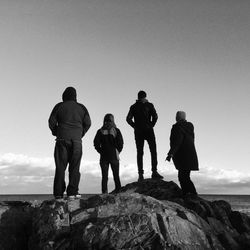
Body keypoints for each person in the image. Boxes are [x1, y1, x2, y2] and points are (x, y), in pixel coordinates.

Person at [48, 87, 91, 200]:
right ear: (75, 96)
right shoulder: (82, 107)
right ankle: (72, 192)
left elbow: (51, 121)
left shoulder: (59, 106)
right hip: (76, 141)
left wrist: (56, 132)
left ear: (64, 95)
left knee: (60, 167)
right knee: (75, 167)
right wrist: (81, 133)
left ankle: (58, 194)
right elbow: (88, 123)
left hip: (62, 139)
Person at [126, 90, 163, 181]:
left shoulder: (133, 106)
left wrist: (135, 126)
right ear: (145, 97)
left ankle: (140, 174)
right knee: (153, 151)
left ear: (138, 97)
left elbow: (128, 119)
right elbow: (155, 116)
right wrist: (151, 125)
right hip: (148, 130)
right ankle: (154, 172)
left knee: (140, 152)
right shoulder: (149, 105)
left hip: (138, 131)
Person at [166, 111, 199, 196]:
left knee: (183, 177)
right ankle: (190, 193)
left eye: (176, 116)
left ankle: (189, 193)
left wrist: (170, 154)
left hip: (182, 155)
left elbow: (177, 141)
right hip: (190, 155)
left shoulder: (177, 127)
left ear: (178, 117)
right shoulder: (190, 127)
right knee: (185, 176)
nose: (175, 117)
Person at [94, 114, 123, 194]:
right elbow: (121, 143)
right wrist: (117, 151)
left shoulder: (100, 131)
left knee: (104, 177)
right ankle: (118, 192)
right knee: (116, 176)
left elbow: (96, 144)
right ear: (113, 120)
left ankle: (104, 193)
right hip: (114, 156)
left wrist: (101, 151)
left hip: (104, 157)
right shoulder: (116, 130)